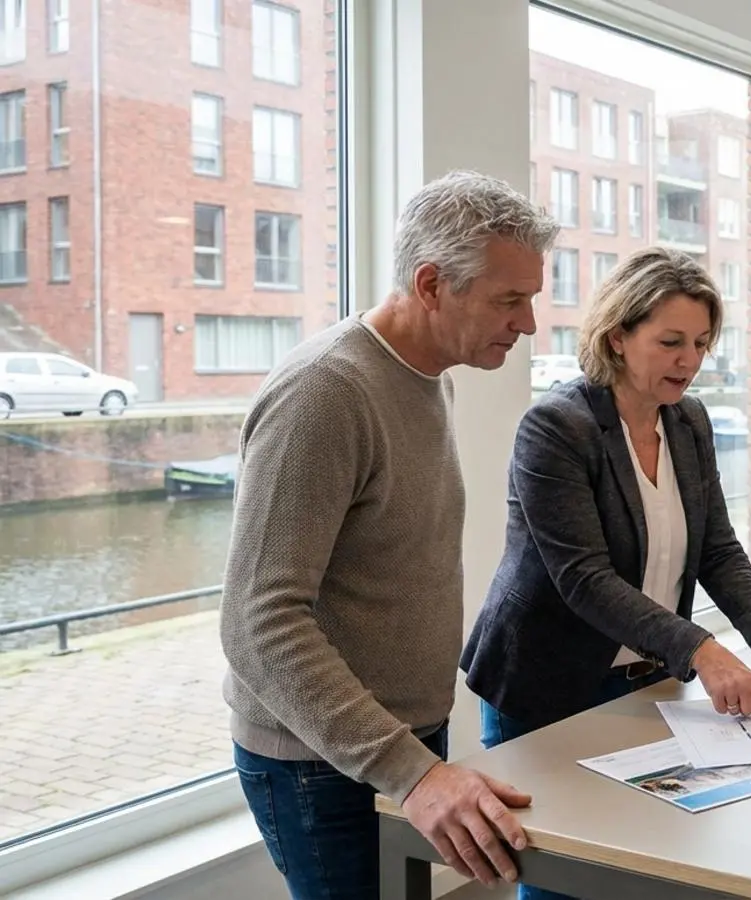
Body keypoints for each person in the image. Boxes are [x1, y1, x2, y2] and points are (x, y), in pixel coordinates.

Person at [461, 247, 751, 897]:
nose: (689, 360)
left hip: (643, 687)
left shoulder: (688, 421)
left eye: (700, 343)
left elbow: (717, 548)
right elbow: (585, 578)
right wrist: (703, 651)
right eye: (670, 342)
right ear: (617, 336)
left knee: (643, 870)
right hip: (547, 686)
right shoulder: (556, 427)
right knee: (561, 882)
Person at [220, 171, 557, 897]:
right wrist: (412, 773)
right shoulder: (324, 392)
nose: (528, 323)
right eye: (509, 300)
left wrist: (419, 760)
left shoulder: (432, 376)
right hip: (320, 763)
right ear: (432, 284)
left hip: (399, 739)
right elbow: (256, 622)